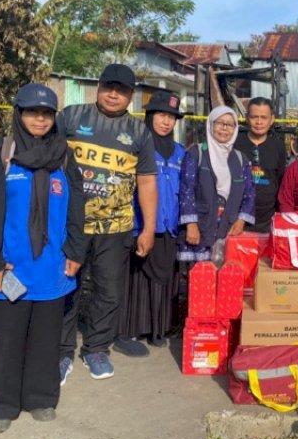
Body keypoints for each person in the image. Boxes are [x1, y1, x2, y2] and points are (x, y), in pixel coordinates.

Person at [0, 84, 87, 434]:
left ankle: (41, 397)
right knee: (6, 341)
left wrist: (75, 251)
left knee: (45, 339)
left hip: (51, 267)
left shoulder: (65, 156)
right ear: (18, 113)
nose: (39, 119)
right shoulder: (1, 153)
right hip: (7, 268)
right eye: (31, 112)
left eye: (46, 113)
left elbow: (77, 209)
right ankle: (2, 404)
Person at [58, 64, 158, 383]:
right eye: (108, 87)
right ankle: (61, 351)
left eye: (122, 90)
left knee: (108, 291)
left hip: (115, 228)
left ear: (131, 96)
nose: (114, 94)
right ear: (98, 87)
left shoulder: (139, 132)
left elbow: (146, 183)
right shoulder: (71, 117)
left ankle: (96, 349)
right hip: (69, 224)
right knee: (64, 287)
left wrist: (149, 228)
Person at [117, 88, 185, 347]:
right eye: (161, 115)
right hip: (141, 226)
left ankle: (160, 330)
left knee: (165, 280)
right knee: (137, 281)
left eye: (172, 117)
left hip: (169, 228)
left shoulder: (181, 153)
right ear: (150, 116)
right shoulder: (137, 148)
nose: (166, 122)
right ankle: (134, 329)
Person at [178, 106, 255, 262]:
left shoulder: (241, 159)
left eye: (230, 124)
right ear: (211, 124)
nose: (224, 128)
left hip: (228, 228)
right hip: (200, 228)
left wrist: (241, 221)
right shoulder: (196, 153)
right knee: (200, 279)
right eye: (220, 123)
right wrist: (191, 224)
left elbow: (250, 193)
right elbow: (187, 190)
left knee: (226, 279)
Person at [234, 97, 286, 232]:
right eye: (254, 117)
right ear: (247, 118)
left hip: (268, 219)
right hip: (237, 218)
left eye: (264, 117)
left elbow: (280, 180)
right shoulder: (235, 143)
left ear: (272, 119)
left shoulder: (278, 146)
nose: (259, 122)